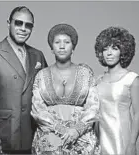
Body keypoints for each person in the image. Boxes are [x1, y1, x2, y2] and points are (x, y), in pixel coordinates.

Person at [0, 6, 48, 154]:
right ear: (9, 23)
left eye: (28, 25)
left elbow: (47, 92)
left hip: (34, 134)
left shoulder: (37, 55)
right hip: (5, 134)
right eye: (18, 23)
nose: (23, 28)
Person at [30, 23, 100, 155]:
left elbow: (93, 106)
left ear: (73, 47)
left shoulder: (86, 73)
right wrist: (58, 128)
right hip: (49, 141)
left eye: (66, 42)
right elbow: (37, 108)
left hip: (82, 141)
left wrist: (77, 130)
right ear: (52, 47)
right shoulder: (41, 75)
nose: (62, 46)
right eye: (57, 42)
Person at [94, 26, 139, 155]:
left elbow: (138, 114)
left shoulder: (132, 79)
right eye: (105, 49)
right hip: (100, 139)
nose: (109, 53)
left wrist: (132, 144)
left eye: (114, 48)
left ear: (123, 51)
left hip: (121, 139)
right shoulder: (97, 81)